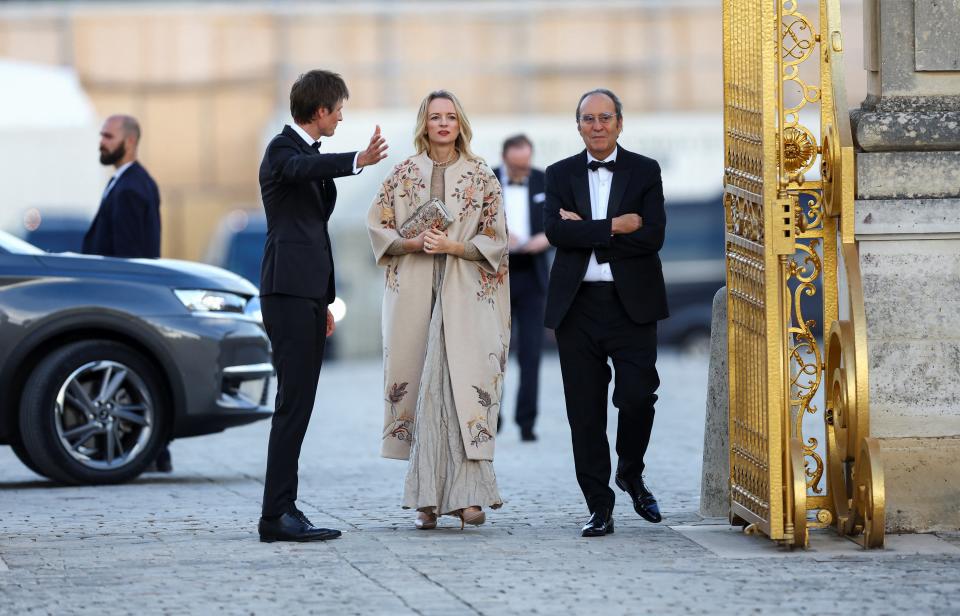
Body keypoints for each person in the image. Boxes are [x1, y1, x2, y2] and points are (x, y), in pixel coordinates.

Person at [367, 90, 509, 531]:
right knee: (425, 387)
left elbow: (498, 239)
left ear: (460, 123)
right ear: (424, 124)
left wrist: (454, 246)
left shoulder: (482, 176)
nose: (443, 124)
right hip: (416, 296)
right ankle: (426, 498)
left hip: (465, 296)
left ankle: (468, 498)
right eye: (435, 117)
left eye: (450, 117)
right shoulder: (402, 173)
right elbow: (378, 224)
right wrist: (413, 244)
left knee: (458, 390)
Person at [257, 70, 388, 543]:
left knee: (300, 404)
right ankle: (276, 515)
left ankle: (283, 509)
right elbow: (299, 171)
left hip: (305, 295)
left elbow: (314, 231)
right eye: (338, 111)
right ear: (319, 112)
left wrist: (324, 301)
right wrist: (357, 159)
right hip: (286, 292)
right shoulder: (281, 151)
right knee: (293, 404)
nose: (340, 117)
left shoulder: (304, 155)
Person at [543, 88, 668, 537]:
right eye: (588, 119)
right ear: (577, 125)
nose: (597, 125)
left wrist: (588, 231)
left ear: (620, 122)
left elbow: (652, 236)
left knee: (638, 396)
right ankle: (600, 505)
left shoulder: (645, 170)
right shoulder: (558, 174)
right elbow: (556, 233)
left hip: (631, 305)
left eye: (605, 117)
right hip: (576, 308)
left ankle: (630, 473)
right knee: (584, 412)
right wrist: (616, 226)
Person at [82, 114, 172, 473]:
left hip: (122, 298)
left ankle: (150, 451)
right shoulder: (125, 182)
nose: (101, 141)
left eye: (108, 136)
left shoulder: (132, 187)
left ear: (129, 141)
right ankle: (152, 451)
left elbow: (129, 255)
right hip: (124, 298)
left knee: (124, 375)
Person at [493, 135, 549, 442]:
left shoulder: (544, 180)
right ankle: (492, 416)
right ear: (504, 158)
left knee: (531, 351)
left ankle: (527, 422)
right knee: (493, 350)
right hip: (496, 272)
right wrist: (500, 237)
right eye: (515, 166)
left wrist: (547, 237)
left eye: (525, 165)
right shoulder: (486, 179)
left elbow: (560, 220)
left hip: (534, 272)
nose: (521, 171)